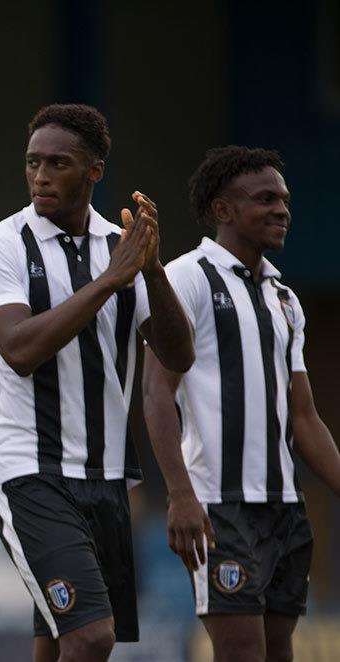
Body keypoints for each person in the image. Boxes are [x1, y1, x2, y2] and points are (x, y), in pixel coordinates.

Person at [0, 103, 194, 662]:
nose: (41, 176)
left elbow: (178, 353)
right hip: (30, 470)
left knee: (59, 638)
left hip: (107, 475)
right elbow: (19, 350)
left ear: (94, 171)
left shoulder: (123, 247)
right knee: (91, 637)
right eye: (33, 163)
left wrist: (153, 269)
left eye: (58, 164)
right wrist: (112, 279)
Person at [143, 146, 340, 662]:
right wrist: (179, 494)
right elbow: (156, 392)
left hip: (285, 508)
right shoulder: (187, 278)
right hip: (217, 505)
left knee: (280, 653)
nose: (282, 210)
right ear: (224, 211)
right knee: (241, 653)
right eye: (265, 199)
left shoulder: (284, 298)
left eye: (285, 200)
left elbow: (304, 418)